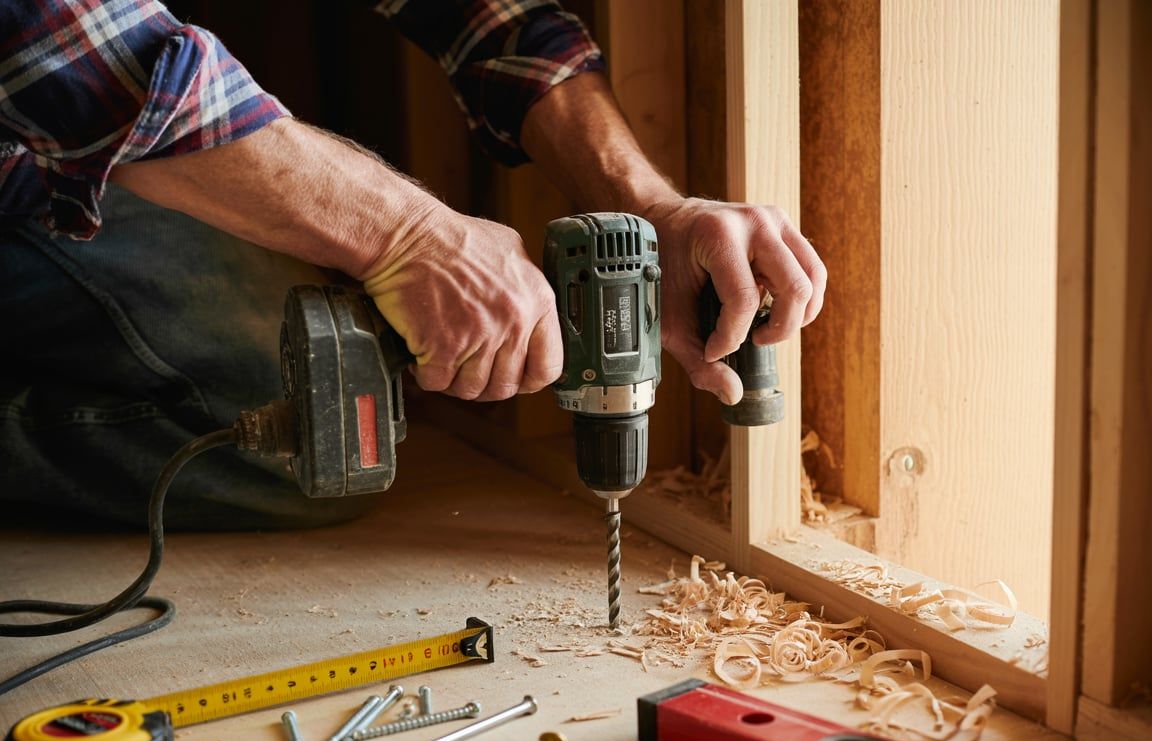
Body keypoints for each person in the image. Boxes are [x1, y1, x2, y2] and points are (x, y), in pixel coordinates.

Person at [0, 0, 825, 529]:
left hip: (55, 169)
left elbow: (499, 23)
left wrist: (649, 208)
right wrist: (411, 236)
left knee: (306, 421)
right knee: (305, 421)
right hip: (48, 121)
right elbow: (68, 52)